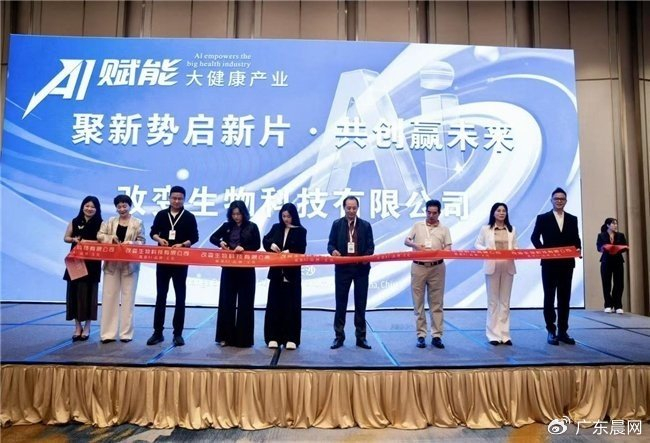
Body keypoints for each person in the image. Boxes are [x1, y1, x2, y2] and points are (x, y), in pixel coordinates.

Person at [147, 186, 199, 347]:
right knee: (161, 295)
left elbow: (195, 237)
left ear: (184, 199)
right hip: (163, 260)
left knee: (180, 297)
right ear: (169, 198)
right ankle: (157, 332)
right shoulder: (162, 214)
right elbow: (153, 232)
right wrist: (159, 239)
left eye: (180, 198)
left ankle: (178, 334)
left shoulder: (189, 217)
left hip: (180, 261)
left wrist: (183, 244)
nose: (176, 201)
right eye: (174, 198)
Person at [531, 187, 582, 346]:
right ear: (551, 200)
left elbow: (576, 239)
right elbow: (534, 238)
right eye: (556, 199)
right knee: (549, 297)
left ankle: (563, 331)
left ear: (565, 201)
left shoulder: (572, 219)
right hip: (549, 265)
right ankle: (551, 331)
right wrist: (543, 252)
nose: (559, 201)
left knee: (564, 298)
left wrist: (578, 249)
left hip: (567, 264)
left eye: (562, 199)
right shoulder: (543, 218)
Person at [210, 200, 261, 348]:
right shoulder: (227, 226)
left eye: (238, 214)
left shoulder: (252, 226)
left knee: (246, 304)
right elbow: (213, 238)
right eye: (233, 214)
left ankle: (243, 340)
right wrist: (220, 243)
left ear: (244, 213)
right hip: (229, 269)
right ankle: (225, 337)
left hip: (246, 270)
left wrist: (244, 247)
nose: (236, 217)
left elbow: (257, 244)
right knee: (227, 303)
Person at [97, 195, 145, 343]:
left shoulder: (137, 222)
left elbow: (142, 241)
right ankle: (108, 334)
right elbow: (100, 235)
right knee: (109, 297)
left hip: (130, 265)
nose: (122, 209)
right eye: (119, 206)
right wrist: (111, 239)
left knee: (128, 298)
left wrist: (131, 243)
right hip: (111, 264)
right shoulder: (110, 221)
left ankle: (126, 334)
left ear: (130, 206)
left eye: (125, 206)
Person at [328, 196, 375, 350]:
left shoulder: (365, 225)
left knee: (360, 304)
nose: (351, 211)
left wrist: (365, 256)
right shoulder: (337, 224)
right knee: (340, 303)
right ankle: (339, 337)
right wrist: (333, 251)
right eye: (348, 208)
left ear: (357, 208)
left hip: (361, 270)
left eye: (354, 208)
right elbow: (330, 244)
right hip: (343, 269)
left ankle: (361, 338)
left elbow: (371, 247)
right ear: (344, 208)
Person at [404, 199, 452, 349]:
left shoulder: (444, 229)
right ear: (425, 212)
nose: (431, 215)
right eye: (429, 212)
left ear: (439, 213)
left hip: (437, 267)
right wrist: (416, 246)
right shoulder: (417, 226)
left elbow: (449, 248)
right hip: (418, 266)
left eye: (434, 213)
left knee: (437, 303)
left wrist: (440, 252)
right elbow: (406, 241)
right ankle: (421, 335)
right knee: (418, 302)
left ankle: (437, 335)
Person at [262, 203, 307, 350]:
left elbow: (301, 249)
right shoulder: (276, 227)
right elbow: (265, 240)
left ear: (294, 216)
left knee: (291, 306)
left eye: (288, 216)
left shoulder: (301, 231)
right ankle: (273, 337)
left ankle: (291, 338)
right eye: (283, 216)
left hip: (291, 274)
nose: (286, 219)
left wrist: (289, 252)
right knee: (274, 305)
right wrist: (271, 245)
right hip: (276, 273)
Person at [475, 203, 518, 346]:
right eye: (498, 210)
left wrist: (516, 251)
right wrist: (486, 250)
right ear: (493, 213)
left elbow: (515, 246)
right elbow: (477, 244)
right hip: (492, 266)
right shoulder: (486, 229)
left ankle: (505, 335)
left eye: (504, 211)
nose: (501, 213)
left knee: (505, 302)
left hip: (508, 266)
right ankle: (493, 335)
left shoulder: (512, 229)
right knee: (493, 301)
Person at [63, 195, 102, 342]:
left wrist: (88, 242)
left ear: (97, 209)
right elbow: (66, 238)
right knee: (73, 294)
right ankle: (77, 326)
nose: (89, 209)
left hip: (92, 263)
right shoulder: (75, 221)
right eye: (87, 206)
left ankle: (87, 327)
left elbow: (103, 242)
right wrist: (73, 239)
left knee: (89, 295)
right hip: (75, 262)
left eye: (92, 207)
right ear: (82, 207)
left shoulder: (101, 223)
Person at [596, 218, 628, 314]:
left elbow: (625, 247)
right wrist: (605, 248)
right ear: (608, 225)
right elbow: (599, 247)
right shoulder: (601, 235)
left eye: (616, 224)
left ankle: (618, 305)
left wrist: (620, 248)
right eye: (613, 224)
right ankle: (608, 305)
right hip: (606, 261)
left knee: (619, 283)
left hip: (618, 261)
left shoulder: (620, 235)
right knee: (606, 283)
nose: (615, 225)